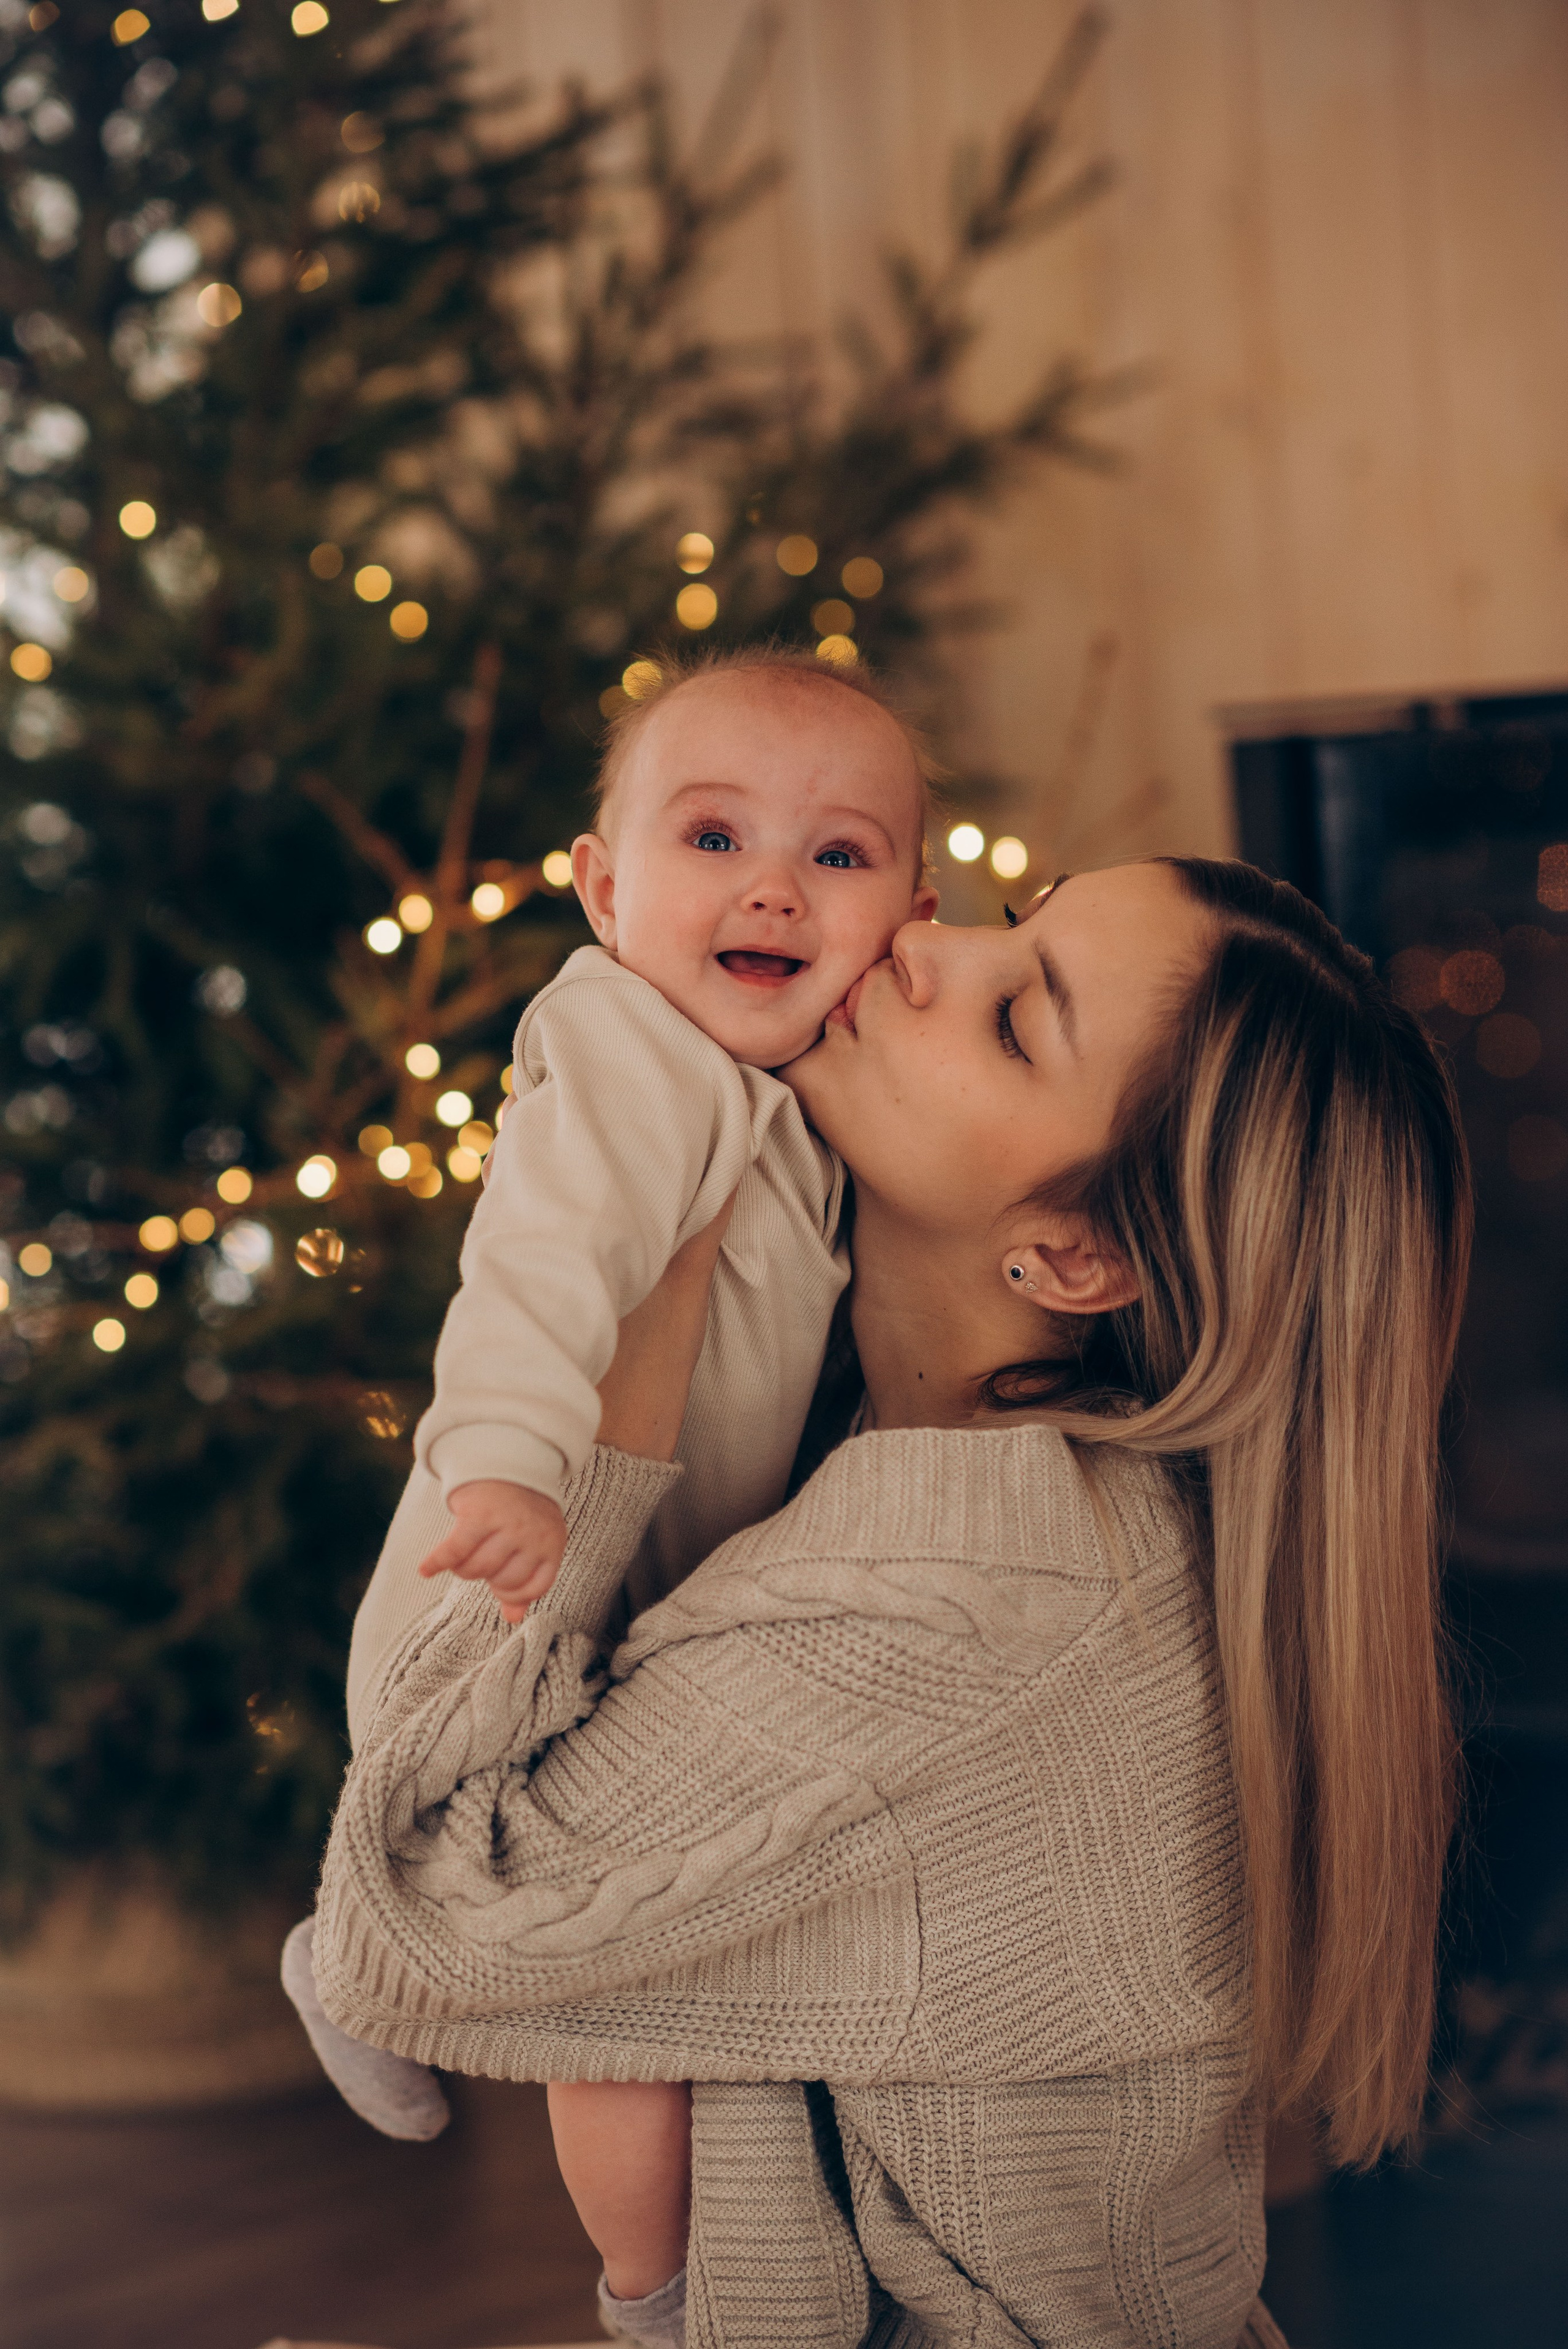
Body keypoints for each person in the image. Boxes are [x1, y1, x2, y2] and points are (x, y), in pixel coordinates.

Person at [314, 857, 1471, 2348]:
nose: (927, 950)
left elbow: (403, 1925)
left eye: (1016, 1022)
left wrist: (649, 1230)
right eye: (1015, 925)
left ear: (1075, 1256)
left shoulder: (961, 1597)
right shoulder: (964, 1470)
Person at [282, 650, 936, 2177]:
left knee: (600, 1918)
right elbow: (543, 1256)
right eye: (711, 836)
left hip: (659, 1587)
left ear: (910, 921)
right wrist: (508, 1462)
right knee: (530, 1891)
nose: (772, 889)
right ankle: (358, 1947)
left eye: (837, 857)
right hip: (510, 1570)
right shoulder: (628, 1044)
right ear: (601, 888)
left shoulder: (806, 1091)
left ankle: (375, 1949)